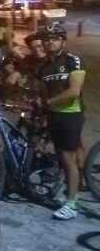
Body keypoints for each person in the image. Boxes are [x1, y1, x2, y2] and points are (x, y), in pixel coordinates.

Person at [38, 24, 86, 220]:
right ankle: (69, 193)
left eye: (55, 38)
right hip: (53, 115)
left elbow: (74, 91)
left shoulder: (72, 60)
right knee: (61, 157)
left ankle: (72, 204)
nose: (50, 41)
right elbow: (41, 91)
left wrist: (47, 103)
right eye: (47, 38)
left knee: (68, 158)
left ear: (63, 41)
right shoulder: (44, 67)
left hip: (70, 114)